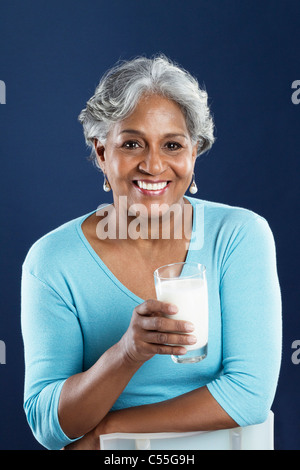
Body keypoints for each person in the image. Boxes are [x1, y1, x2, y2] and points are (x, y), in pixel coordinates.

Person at [21, 55, 282, 450]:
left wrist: (108, 432)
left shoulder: (239, 236)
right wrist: (127, 353)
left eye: (172, 145)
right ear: (102, 153)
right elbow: (47, 422)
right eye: (131, 144)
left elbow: (248, 396)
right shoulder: (52, 261)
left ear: (193, 154)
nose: (154, 164)